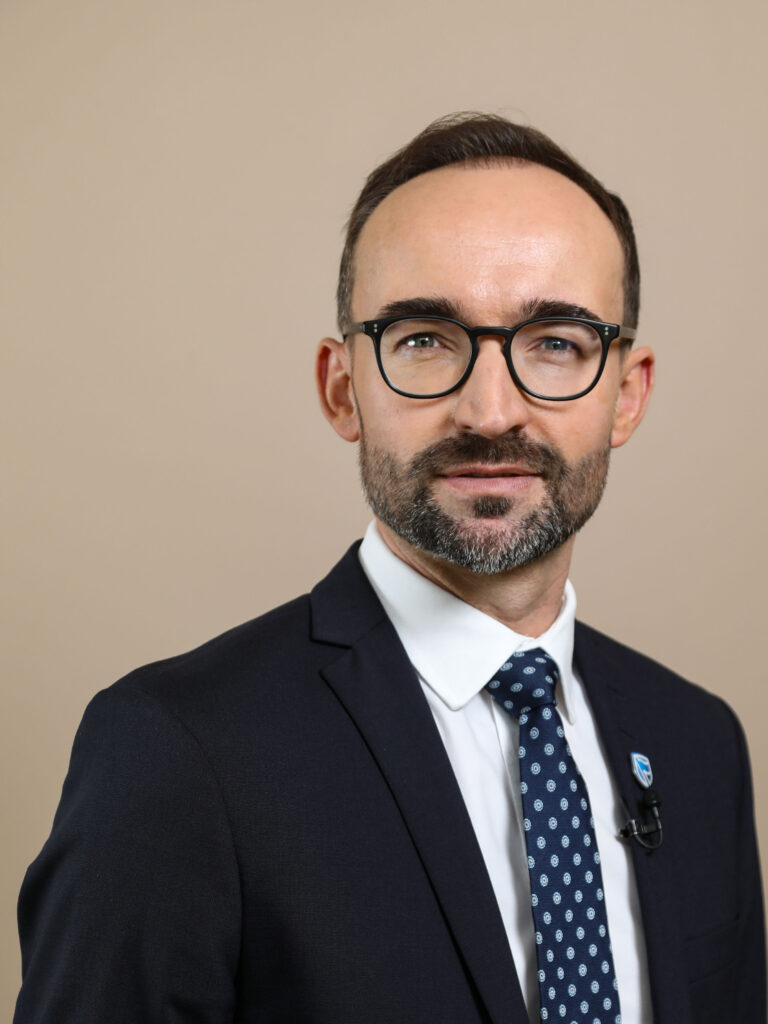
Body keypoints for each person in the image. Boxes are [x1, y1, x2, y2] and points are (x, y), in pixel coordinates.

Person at [14, 113, 765, 1024]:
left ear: (627, 395)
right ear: (343, 390)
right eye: (424, 339)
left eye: (556, 343)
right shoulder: (176, 756)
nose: (491, 411)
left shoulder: (698, 743)